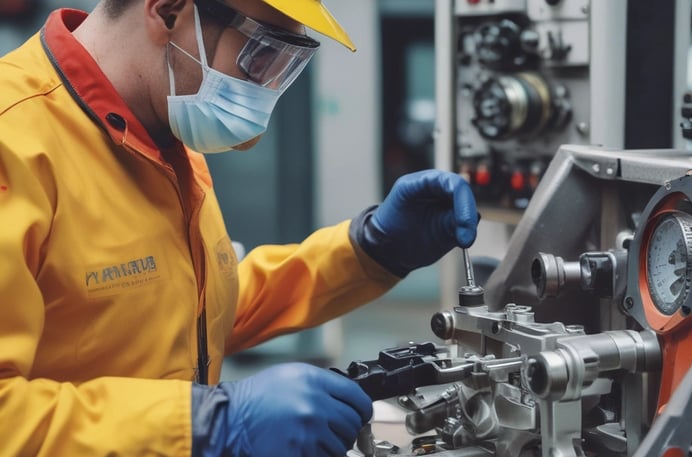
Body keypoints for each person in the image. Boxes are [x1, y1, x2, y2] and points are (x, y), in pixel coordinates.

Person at [0, 0, 479, 456]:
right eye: (263, 54)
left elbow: (195, 303)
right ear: (168, 11)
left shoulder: (161, 134)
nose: (266, 87)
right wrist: (208, 426)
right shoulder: (14, 145)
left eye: (286, 65)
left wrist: (370, 249)